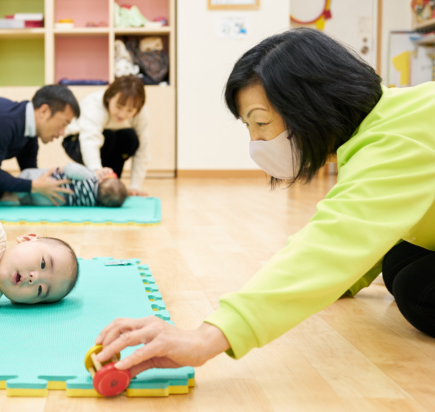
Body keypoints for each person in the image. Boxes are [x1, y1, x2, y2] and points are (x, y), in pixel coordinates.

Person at [92, 28, 435, 377]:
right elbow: (367, 222)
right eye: (248, 126)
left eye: (260, 122)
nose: (255, 141)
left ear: (310, 104)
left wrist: (205, 338)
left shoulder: (399, 138)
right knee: (397, 261)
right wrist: (337, 282)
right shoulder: (383, 125)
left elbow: (337, 241)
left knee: (417, 291)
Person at [62, 75, 150, 196]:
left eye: (130, 111)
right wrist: (96, 171)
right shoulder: (94, 104)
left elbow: (143, 149)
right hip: (76, 142)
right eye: (119, 107)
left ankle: (112, 182)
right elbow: (90, 141)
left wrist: (135, 186)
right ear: (109, 97)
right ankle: (96, 182)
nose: (123, 114)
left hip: (111, 143)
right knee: (109, 136)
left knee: (129, 137)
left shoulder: (140, 111)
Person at [14, 162, 128, 207]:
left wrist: (61, 168)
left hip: (35, 179)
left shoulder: (90, 177)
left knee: (27, 176)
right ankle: (23, 198)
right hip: (43, 201)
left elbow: (71, 169)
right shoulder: (91, 203)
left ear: (102, 180)